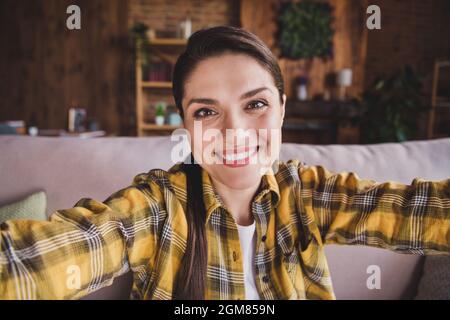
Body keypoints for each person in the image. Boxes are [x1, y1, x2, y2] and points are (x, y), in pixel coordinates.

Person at [0, 26, 449, 300]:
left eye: (255, 104)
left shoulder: (307, 194)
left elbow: (417, 214)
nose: (233, 131)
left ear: (282, 108)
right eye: (206, 111)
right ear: (186, 125)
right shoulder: (158, 206)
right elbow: (41, 259)